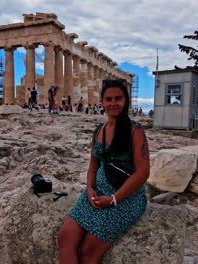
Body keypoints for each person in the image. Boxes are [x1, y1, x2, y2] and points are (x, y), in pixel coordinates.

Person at [58, 79, 149, 263]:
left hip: (126, 196)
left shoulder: (135, 131)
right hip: (97, 191)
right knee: (65, 237)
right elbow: (93, 165)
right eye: (108, 99)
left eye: (118, 98)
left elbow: (143, 172)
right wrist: (89, 188)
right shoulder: (98, 131)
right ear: (102, 102)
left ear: (125, 101)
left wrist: (115, 199)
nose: (113, 103)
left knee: (88, 251)